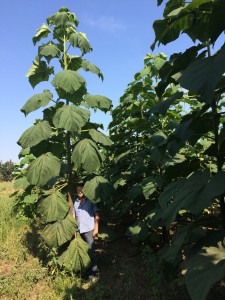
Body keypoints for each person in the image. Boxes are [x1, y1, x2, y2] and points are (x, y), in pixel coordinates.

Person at [73, 183, 100, 279]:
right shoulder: (75, 202)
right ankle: (87, 272)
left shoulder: (90, 200)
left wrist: (96, 228)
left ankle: (93, 274)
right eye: (78, 190)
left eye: (81, 190)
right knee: (84, 252)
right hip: (79, 231)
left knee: (91, 251)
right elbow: (74, 216)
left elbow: (96, 215)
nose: (80, 191)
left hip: (89, 229)